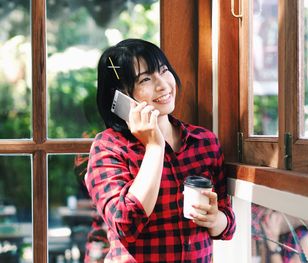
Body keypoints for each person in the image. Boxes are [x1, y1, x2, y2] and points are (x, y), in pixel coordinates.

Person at [84, 38, 236, 262]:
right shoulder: (108, 147)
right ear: (120, 96)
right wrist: (155, 146)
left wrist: (215, 220)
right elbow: (126, 224)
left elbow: (227, 225)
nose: (163, 85)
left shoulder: (205, 142)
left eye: (164, 71)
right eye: (145, 79)